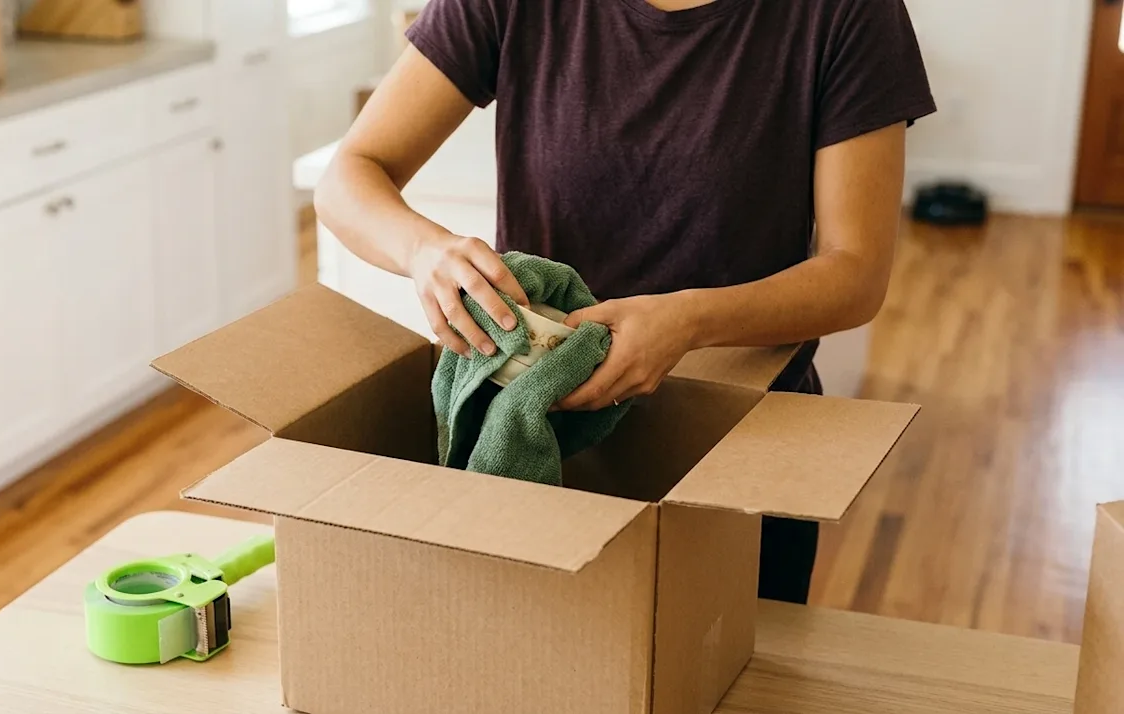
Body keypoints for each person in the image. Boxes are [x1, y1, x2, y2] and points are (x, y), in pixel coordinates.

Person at [312, 0, 935, 604]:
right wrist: (423, 250)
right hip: (547, 431)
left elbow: (856, 273)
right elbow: (349, 177)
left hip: (741, 444)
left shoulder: (847, 12)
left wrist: (688, 322)